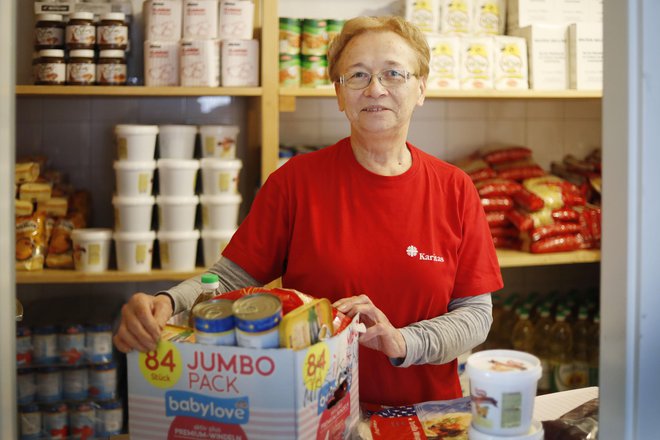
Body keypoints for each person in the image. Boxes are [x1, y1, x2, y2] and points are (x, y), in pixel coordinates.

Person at [113, 15, 503, 407]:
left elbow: (474, 316)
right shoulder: (295, 182)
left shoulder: (455, 188)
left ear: (421, 88)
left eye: (394, 74)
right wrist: (169, 302)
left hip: (428, 416)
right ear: (338, 93)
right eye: (357, 75)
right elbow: (229, 278)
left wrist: (402, 341)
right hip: (311, 412)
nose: (375, 89)